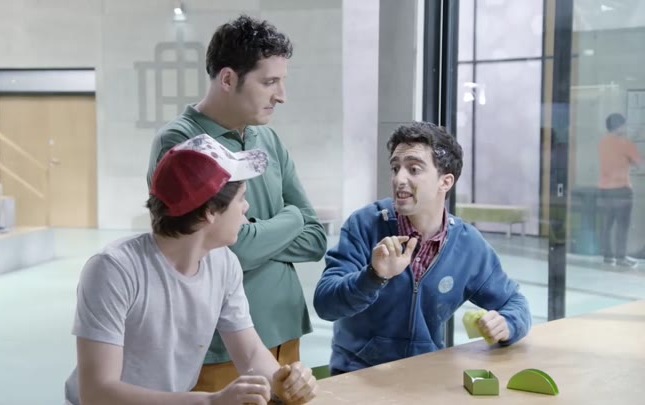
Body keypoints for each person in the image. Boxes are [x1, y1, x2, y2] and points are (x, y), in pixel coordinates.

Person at [65, 134, 318, 405]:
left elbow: (250, 353)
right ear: (210, 211)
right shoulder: (114, 270)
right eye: (241, 198)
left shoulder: (223, 263)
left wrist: (282, 381)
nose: (247, 208)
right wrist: (210, 402)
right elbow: (97, 393)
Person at [146, 15, 327, 392]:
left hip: (286, 329)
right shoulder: (182, 143)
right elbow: (226, 248)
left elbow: (315, 239)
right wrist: (292, 218)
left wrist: (260, 234)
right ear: (228, 79)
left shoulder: (269, 140)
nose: (281, 95)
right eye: (269, 82)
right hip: (219, 347)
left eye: (282, 81)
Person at [313, 122, 532, 375]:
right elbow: (325, 304)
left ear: (445, 182)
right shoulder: (365, 225)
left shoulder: (467, 244)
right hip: (358, 374)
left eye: (414, 169)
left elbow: (515, 303)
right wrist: (373, 276)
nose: (399, 179)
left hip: (426, 374)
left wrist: (507, 324)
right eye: (395, 168)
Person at [598, 113, 642, 268]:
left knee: (607, 224)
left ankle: (607, 256)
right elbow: (639, 162)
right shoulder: (625, 143)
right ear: (619, 126)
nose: (626, 127)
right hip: (622, 189)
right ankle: (621, 258)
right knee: (622, 226)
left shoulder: (603, 143)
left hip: (605, 189)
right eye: (624, 124)